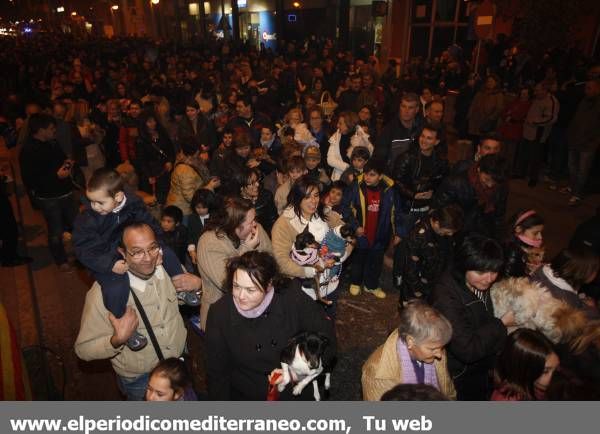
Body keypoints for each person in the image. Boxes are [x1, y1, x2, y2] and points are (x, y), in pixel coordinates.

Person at [74, 223, 200, 400]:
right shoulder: (104, 293)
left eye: (152, 248)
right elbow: (83, 349)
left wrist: (197, 285)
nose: (148, 258)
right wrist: (117, 340)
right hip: (142, 381)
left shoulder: (167, 269)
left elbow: (184, 297)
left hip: (179, 366)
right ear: (122, 253)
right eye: (137, 252)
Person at [72, 168, 193, 350]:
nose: (94, 207)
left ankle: (180, 284)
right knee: (115, 286)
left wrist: (157, 246)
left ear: (119, 197)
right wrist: (109, 264)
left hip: (131, 246)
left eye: (99, 202)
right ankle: (124, 325)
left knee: (166, 251)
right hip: (104, 257)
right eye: (91, 201)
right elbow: (83, 249)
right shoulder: (89, 219)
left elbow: (150, 224)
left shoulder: (133, 203)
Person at [205, 251, 336, 400]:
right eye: (236, 286)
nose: (241, 296)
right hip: (247, 396)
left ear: (269, 285)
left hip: (292, 392)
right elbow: (217, 374)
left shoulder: (291, 297)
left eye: (250, 290)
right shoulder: (220, 313)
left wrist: (296, 373)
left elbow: (327, 339)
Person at [431, 234, 514, 400]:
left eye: (494, 271)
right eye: (480, 271)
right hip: (461, 374)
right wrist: (501, 324)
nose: (489, 279)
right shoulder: (445, 296)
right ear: (464, 265)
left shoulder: (478, 283)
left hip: (483, 365)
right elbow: (467, 349)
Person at [272, 176, 352, 312]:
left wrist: (342, 255)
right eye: (307, 197)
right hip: (301, 286)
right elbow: (281, 261)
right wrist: (310, 270)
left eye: (316, 195)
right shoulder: (284, 224)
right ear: (297, 198)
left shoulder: (324, 213)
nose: (313, 201)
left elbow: (349, 234)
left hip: (329, 281)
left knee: (327, 321)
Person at [197, 197, 273, 331]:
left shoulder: (256, 229)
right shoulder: (209, 242)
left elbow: (271, 261)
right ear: (236, 225)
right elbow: (227, 282)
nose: (255, 224)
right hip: (223, 317)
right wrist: (247, 248)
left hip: (258, 308)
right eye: (251, 221)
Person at [361, 300, 456, 400]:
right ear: (410, 341)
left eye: (441, 348)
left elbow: (448, 392)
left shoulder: (434, 345)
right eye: (432, 349)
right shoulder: (375, 372)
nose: (440, 355)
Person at [19, 113, 78, 272]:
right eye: (51, 128)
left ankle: (80, 255)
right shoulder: (28, 150)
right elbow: (30, 180)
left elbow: (62, 158)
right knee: (55, 231)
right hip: (48, 197)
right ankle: (61, 260)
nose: (55, 131)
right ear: (40, 130)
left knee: (76, 225)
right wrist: (55, 176)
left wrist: (67, 163)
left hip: (65, 192)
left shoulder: (52, 142)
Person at [342, 159, 402, 299]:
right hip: (361, 234)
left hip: (380, 234)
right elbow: (345, 207)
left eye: (373, 175)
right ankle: (355, 282)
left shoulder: (389, 189)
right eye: (366, 174)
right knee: (358, 259)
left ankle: (372, 285)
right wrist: (355, 226)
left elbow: (396, 212)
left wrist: (398, 231)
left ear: (380, 176)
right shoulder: (356, 186)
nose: (368, 177)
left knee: (375, 261)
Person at [396, 205, 464, 305]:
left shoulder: (442, 231)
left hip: (433, 281)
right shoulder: (418, 236)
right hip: (417, 286)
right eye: (448, 231)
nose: (450, 235)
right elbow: (411, 269)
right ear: (437, 223)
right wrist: (417, 292)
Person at [432, 154, 507, 240]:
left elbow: (499, 216)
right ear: (479, 169)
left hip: (483, 234)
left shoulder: (501, 187)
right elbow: (440, 212)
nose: (490, 185)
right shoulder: (455, 184)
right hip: (456, 233)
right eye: (486, 179)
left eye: (494, 182)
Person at [392, 123, 448, 234]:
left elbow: (442, 184)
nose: (424, 140)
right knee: (400, 240)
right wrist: (413, 194)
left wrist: (434, 196)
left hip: (427, 210)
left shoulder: (441, 162)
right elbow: (395, 182)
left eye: (429, 138)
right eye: (422, 136)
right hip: (406, 209)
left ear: (436, 142)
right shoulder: (406, 157)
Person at [530, 246, 599, 317]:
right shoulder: (568, 303)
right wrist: (591, 308)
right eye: (595, 270)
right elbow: (580, 321)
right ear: (583, 273)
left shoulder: (541, 270)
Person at [492, 328, 559, 401]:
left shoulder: (536, 385)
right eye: (545, 371)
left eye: (556, 368)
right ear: (523, 369)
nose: (554, 378)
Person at [564, 76, 600, 206]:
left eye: (589, 88)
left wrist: (593, 140)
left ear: (597, 89)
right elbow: (576, 119)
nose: (586, 90)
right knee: (572, 166)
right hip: (575, 140)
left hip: (587, 145)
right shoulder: (584, 101)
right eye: (586, 87)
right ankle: (573, 187)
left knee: (582, 170)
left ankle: (577, 193)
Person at [515, 82, 559, 187]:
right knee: (524, 153)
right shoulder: (537, 99)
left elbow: (551, 118)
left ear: (544, 90)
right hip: (528, 131)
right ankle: (521, 173)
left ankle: (533, 178)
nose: (535, 92)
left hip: (538, 133)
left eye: (537, 90)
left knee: (535, 156)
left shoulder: (551, 101)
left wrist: (534, 122)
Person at [165, 139, 218, 221]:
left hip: (181, 207)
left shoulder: (189, 161)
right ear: (194, 153)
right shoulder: (185, 170)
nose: (200, 153)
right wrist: (209, 187)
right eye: (198, 151)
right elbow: (190, 197)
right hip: (182, 211)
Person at [135, 113, 175, 204]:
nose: (153, 123)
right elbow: (142, 160)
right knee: (152, 201)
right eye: (149, 122)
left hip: (164, 171)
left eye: (154, 121)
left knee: (166, 196)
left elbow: (171, 150)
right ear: (144, 124)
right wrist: (149, 175)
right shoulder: (141, 140)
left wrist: (170, 161)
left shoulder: (162, 133)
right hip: (151, 173)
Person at [375, 93, 422, 168]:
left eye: (410, 108)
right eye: (404, 106)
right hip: (393, 175)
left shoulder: (421, 129)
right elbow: (379, 157)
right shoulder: (388, 130)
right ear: (400, 107)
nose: (406, 111)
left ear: (417, 110)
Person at [327, 111, 373, 181]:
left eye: (340, 123)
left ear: (349, 124)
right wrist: (348, 168)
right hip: (339, 177)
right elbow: (330, 160)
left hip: (358, 178)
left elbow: (369, 156)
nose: (337, 125)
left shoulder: (361, 136)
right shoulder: (335, 136)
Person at [235, 167, 278, 234]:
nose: (257, 184)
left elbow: (274, 219)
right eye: (252, 183)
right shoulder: (236, 204)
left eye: (257, 180)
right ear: (241, 187)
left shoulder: (266, 195)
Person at [504, 210, 545, 276]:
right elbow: (509, 278)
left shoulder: (524, 248)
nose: (540, 237)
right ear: (519, 229)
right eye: (535, 233)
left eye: (540, 233)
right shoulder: (513, 252)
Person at [467, 74, 504, 142]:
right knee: (474, 140)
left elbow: (499, 109)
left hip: (487, 122)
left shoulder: (498, 95)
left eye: (492, 81)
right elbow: (473, 104)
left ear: (496, 83)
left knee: (484, 140)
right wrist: (470, 114)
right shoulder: (481, 92)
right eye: (488, 81)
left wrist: (490, 118)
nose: (489, 83)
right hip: (475, 120)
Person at [186, 188, 217, 266]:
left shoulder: (215, 217)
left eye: (204, 207)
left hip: (214, 250)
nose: (200, 210)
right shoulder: (192, 218)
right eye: (198, 207)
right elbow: (190, 236)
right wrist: (192, 251)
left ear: (210, 206)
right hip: (199, 251)